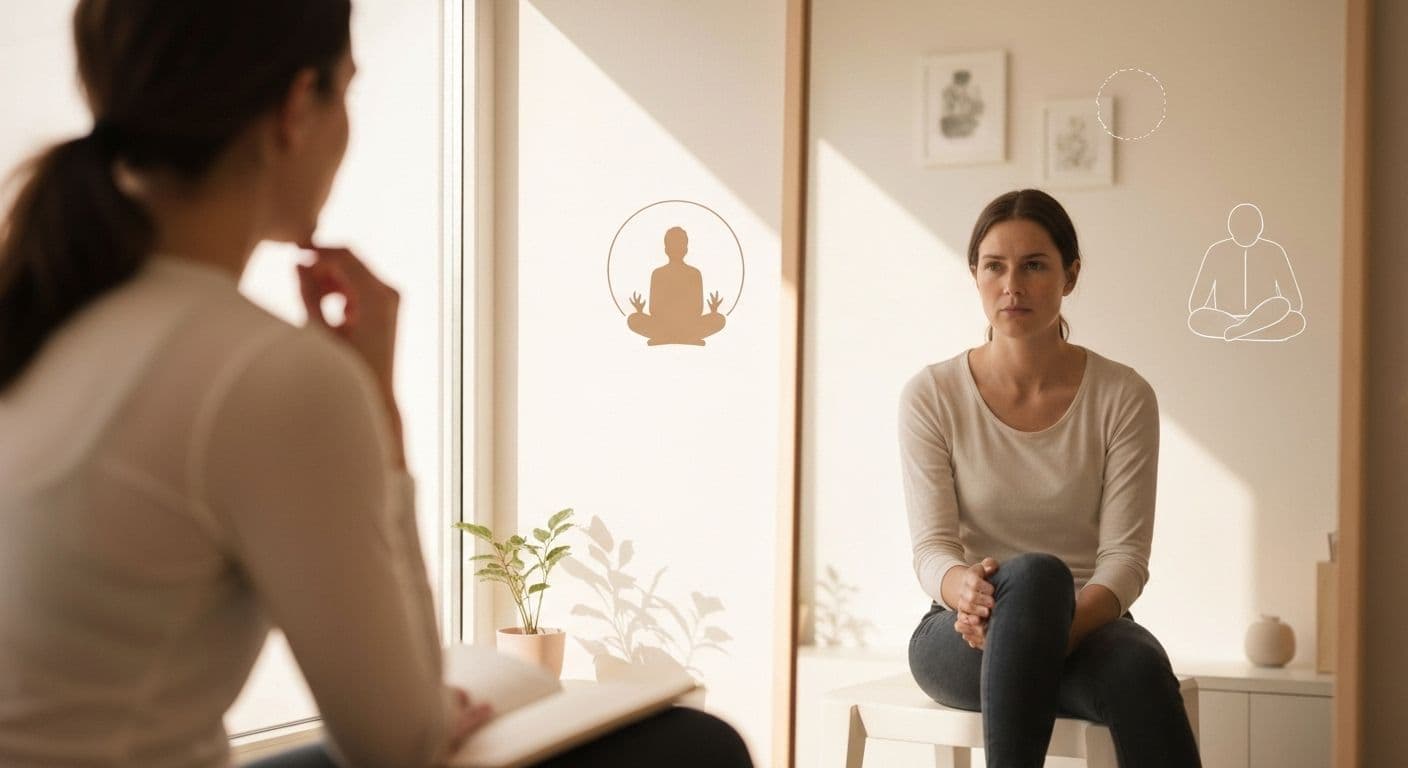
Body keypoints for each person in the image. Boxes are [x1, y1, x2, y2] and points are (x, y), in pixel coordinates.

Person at [0, 2, 750, 766]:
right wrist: (379, 413)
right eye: (346, 93)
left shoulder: (37, 315)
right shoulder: (266, 373)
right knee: (694, 748)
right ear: (296, 109)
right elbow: (401, 747)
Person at [900, 189, 1202, 767]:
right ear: (976, 275)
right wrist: (965, 588)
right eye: (995, 266)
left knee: (1128, 658)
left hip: (1088, 619)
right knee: (1037, 578)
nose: (1012, 284)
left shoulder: (1123, 396)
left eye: (1034, 265)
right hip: (962, 633)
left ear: (1070, 275)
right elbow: (932, 549)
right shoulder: (932, 395)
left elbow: (1125, 559)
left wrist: (1048, 635)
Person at [1186, 202, 1305, 342]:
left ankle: (1239, 332)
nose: (1245, 232)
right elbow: (1196, 305)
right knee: (1195, 319)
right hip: (1226, 320)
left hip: (1266, 319)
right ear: (1231, 228)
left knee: (1296, 319)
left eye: (1250, 227)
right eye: (1241, 227)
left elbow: (1294, 303)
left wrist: (1271, 310)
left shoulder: (1274, 251)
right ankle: (1247, 332)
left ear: (1259, 227)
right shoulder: (1216, 251)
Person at [626, 226, 726, 346]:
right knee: (633, 319)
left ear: (666, 249)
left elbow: (695, 310)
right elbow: (656, 310)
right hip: (679, 328)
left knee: (719, 319)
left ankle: (665, 337)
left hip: (676, 327)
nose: (677, 249)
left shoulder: (693, 273)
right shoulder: (660, 274)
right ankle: (686, 338)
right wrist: (640, 311)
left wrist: (640, 311)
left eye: (679, 245)